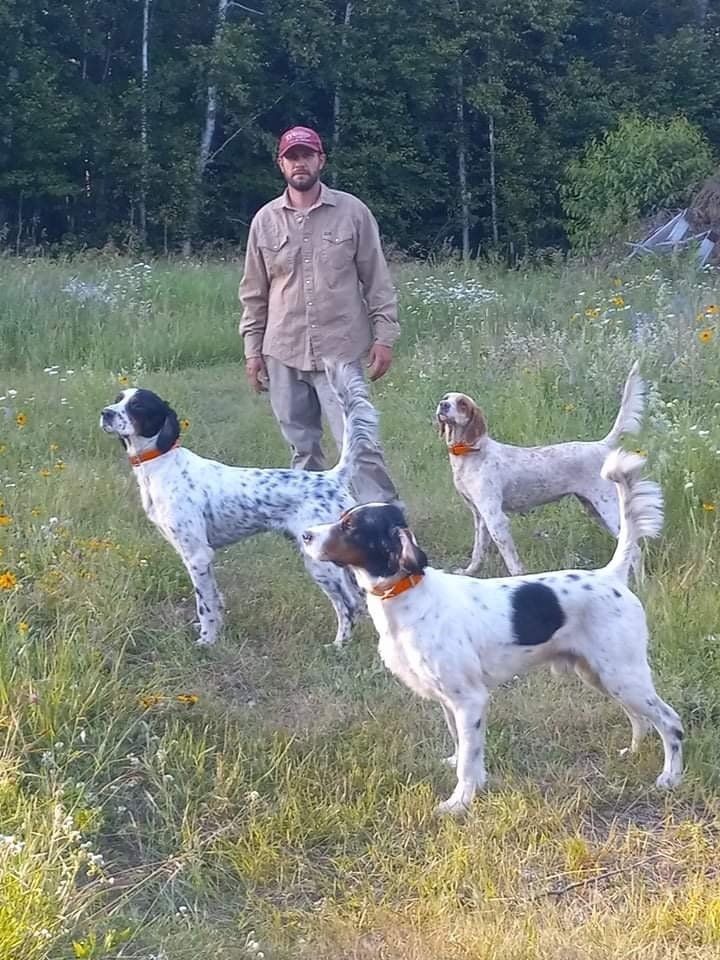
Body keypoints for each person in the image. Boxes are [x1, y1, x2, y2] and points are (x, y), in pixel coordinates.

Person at [238, 125, 400, 504]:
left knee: (359, 444)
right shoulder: (265, 221)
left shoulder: (352, 212)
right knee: (302, 446)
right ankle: (315, 523)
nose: (300, 163)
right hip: (283, 351)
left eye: (307, 155)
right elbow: (253, 292)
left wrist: (384, 336)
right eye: (291, 157)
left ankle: (385, 523)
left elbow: (377, 278)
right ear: (281, 164)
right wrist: (252, 350)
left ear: (320, 160)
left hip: (340, 352)